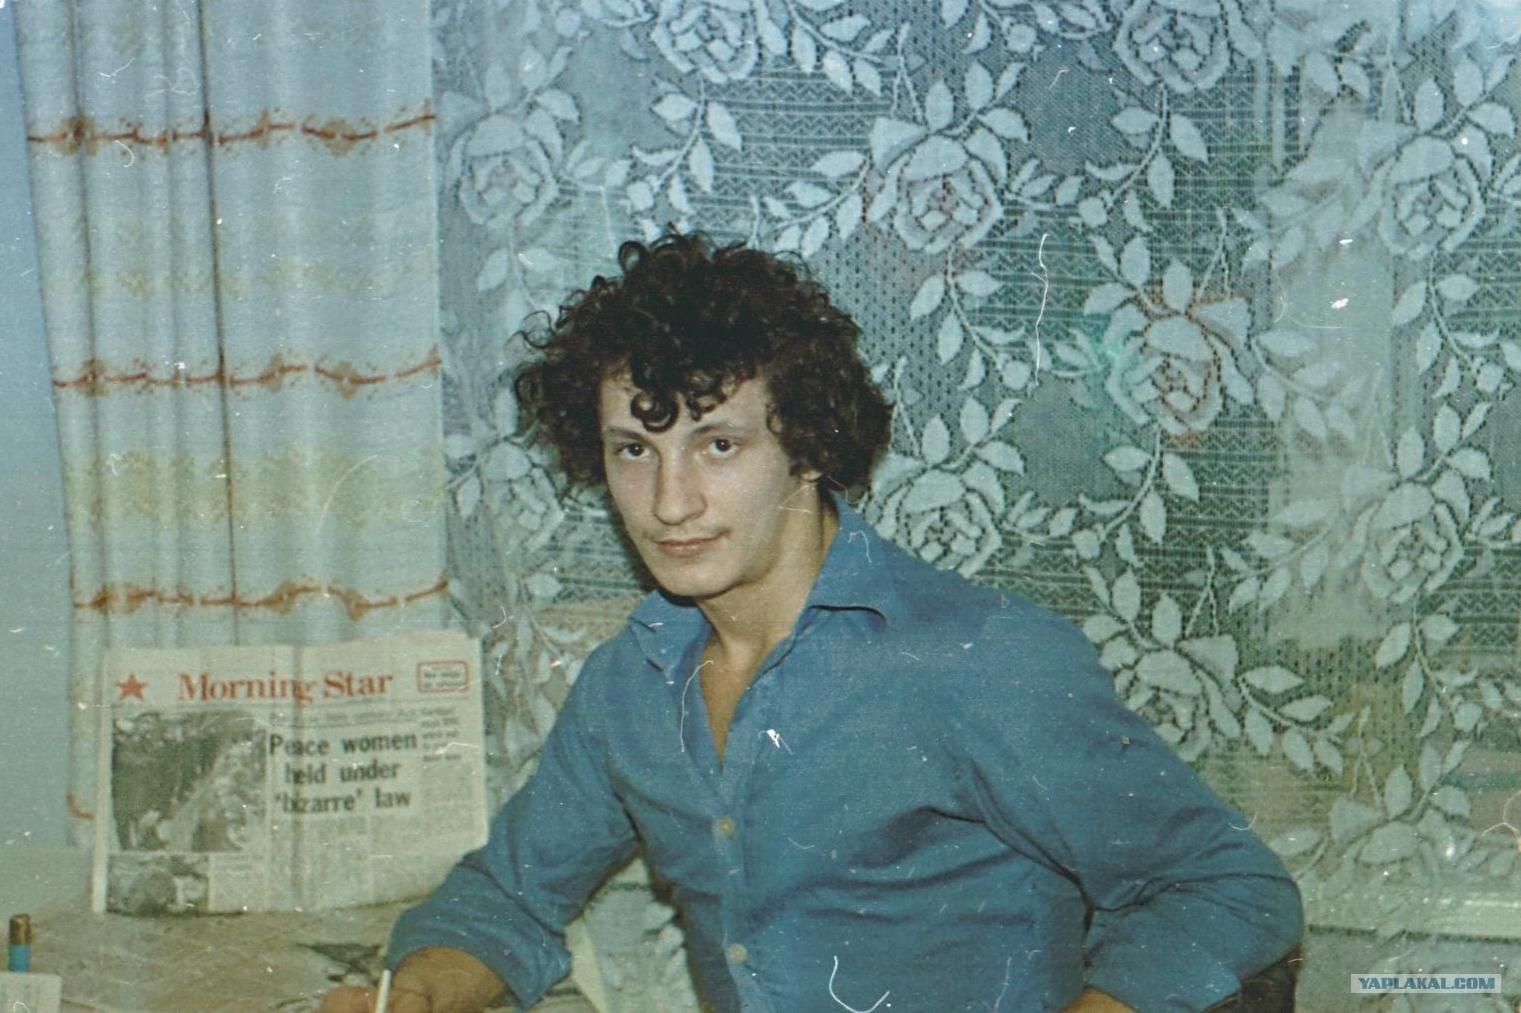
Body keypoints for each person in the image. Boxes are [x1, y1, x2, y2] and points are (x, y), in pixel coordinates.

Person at [320, 232, 1303, 1013]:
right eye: (634, 450)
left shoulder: (975, 658)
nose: (669, 503)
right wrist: (416, 994)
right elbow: (504, 898)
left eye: (718, 445)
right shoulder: (629, 687)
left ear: (808, 444)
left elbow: (1229, 888)